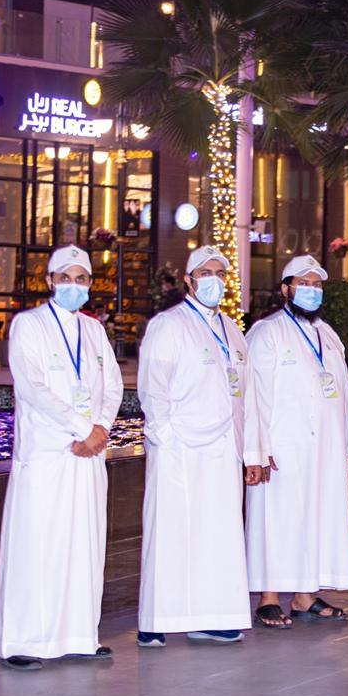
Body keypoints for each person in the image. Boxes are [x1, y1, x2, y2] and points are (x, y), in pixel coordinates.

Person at [0, 245, 123, 671]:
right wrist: (82, 428)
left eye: (80, 278)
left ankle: (79, 635)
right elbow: (32, 387)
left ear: (90, 284)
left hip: (88, 455)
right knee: (37, 543)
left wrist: (100, 427)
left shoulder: (94, 330)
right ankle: (24, 639)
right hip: (48, 453)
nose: (73, 285)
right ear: (49, 281)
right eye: (64, 278)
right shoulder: (28, 325)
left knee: (85, 544)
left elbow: (113, 385)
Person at [136, 246, 266, 647]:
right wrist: (165, 438)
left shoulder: (232, 329)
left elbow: (248, 396)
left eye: (220, 273)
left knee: (218, 533)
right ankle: (155, 619)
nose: (214, 280)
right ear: (189, 280)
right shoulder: (169, 324)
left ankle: (212, 615)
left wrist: (251, 452)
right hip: (179, 445)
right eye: (205, 273)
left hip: (224, 445)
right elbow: (152, 388)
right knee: (170, 530)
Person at [245, 255, 348, 629]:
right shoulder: (267, 333)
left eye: (317, 285)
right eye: (303, 284)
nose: (311, 291)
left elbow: (342, 393)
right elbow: (253, 395)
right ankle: (268, 598)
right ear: (286, 289)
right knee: (277, 519)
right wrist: (259, 447)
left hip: (325, 445)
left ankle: (304, 595)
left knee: (316, 518)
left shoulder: (328, 335)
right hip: (283, 446)